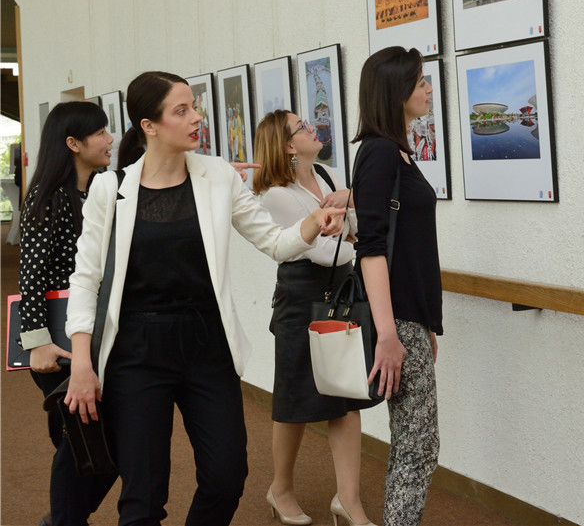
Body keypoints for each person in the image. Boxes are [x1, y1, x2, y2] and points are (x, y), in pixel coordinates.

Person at [64, 71, 346, 526]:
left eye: (194, 106)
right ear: (149, 126)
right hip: (136, 350)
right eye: (182, 110)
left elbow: (275, 242)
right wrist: (82, 362)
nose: (197, 117)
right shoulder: (110, 188)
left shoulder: (218, 176)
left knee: (226, 478)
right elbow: (85, 278)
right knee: (143, 496)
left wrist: (316, 220)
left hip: (207, 345)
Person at [252, 110, 377, 526]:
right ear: (288, 146)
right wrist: (344, 228)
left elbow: (354, 230)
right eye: (302, 128)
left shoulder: (325, 174)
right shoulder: (275, 194)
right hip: (300, 296)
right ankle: (280, 490)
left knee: (345, 397)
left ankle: (349, 500)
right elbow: (324, 248)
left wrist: (344, 224)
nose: (312, 128)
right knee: (295, 400)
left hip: (339, 291)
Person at [347, 47, 442, 526]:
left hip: (408, 320)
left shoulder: (393, 149)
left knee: (415, 446)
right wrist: (389, 333)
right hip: (395, 322)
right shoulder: (382, 151)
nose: (428, 89)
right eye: (421, 81)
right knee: (418, 448)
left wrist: (422, 326)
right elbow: (371, 249)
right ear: (396, 91)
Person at [18, 101, 118, 526]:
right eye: (100, 132)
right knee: (81, 438)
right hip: (57, 343)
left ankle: (64, 518)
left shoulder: (96, 191)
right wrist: (37, 344)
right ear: (73, 143)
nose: (109, 138)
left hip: (93, 334)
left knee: (93, 437)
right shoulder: (49, 197)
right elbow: (31, 274)